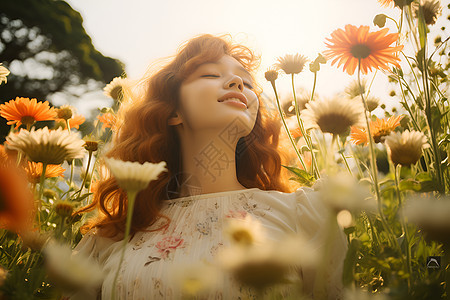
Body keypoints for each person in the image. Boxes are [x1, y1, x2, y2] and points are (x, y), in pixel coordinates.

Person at [67, 34, 348, 299]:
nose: (238, 82)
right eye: (211, 74)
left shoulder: (303, 216)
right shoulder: (116, 233)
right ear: (173, 111)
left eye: (247, 83)